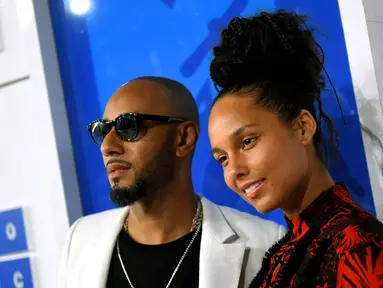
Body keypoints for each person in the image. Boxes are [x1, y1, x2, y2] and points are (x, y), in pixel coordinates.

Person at [207, 10, 383, 288]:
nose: (234, 171)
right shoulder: (282, 257)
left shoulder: (359, 250)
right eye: (222, 158)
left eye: (247, 141)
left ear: (302, 127)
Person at [58, 76, 286, 288]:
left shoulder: (265, 244)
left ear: (183, 138)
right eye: (102, 131)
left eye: (128, 126)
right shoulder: (80, 239)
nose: (108, 147)